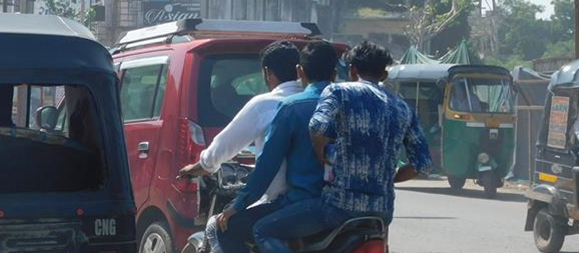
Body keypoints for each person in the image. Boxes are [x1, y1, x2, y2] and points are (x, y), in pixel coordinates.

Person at [251, 42, 432, 253]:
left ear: (353, 70)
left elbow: (317, 126)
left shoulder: (338, 91)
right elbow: (423, 163)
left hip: (337, 208)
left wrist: (323, 157)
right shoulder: (403, 108)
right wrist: (387, 177)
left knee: (263, 230)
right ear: (384, 75)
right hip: (381, 215)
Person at [214, 41, 341, 253]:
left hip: (304, 203)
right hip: (352, 206)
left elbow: (267, 165)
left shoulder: (292, 107)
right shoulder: (352, 105)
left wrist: (238, 205)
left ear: (300, 71)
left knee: (230, 228)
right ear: (335, 74)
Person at [177, 41, 304, 253]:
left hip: (282, 202)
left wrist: (201, 166)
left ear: (267, 73)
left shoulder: (267, 104)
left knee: (219, 227)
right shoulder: (319, 102)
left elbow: (224, 148)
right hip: (321, 204)